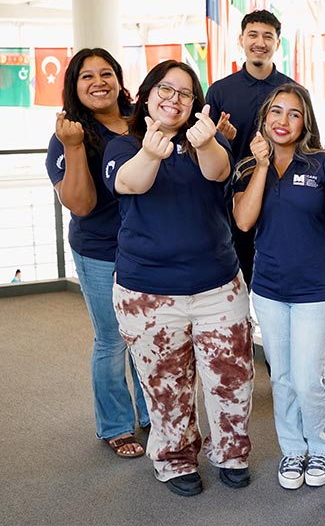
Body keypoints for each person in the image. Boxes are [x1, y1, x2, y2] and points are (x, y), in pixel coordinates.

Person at [103, 59, 254, 498]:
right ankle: (174, 459)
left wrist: (205, 143)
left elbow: (219, 172)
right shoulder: (123, 145)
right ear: (147, 95)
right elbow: (129, 184)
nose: (174, 98)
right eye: (166, 89)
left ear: (195, 104)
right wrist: (151, 151)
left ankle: (231, 452)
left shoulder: (206, 142)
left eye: (186, 93)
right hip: (146, 293)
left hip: (217, 287)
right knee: (166, 383)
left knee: (231, 377)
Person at [232, 83, 325, 491]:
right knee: (280, 377)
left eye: (293, 113)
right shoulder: (246, 167)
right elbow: (244, 221)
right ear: (264, 119)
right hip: (269, 288)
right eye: (276, 112)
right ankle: (293, 449)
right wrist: (261, 165)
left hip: (315, 288)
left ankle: (319, 447)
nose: (283, 121)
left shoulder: (323, 165)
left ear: (305, 121)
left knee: (308, 378)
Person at [45, 47, 149, 460]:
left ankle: (153, 413)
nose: (98, 82)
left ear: (120, 80)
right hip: (101, 251)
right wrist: (72, 147)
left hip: (149, 249)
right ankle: (116, 425)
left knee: (150, 337)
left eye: (106, 73)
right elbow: (81, 205)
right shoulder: (67, 134)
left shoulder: (142, 121)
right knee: (113, 339)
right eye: (86, 76)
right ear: (74, 87)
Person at [206, 9, 298, 288]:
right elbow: (201, 148)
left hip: (280, 195)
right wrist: (218, 138)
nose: (260, 42)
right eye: (253, 35)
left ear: (277, 43)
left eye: (268, 36)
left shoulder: (292, 91)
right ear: (241, 40)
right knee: (236, 279)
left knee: (280, 277)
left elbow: (306, 144)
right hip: (232, 198)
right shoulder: (220, 91)